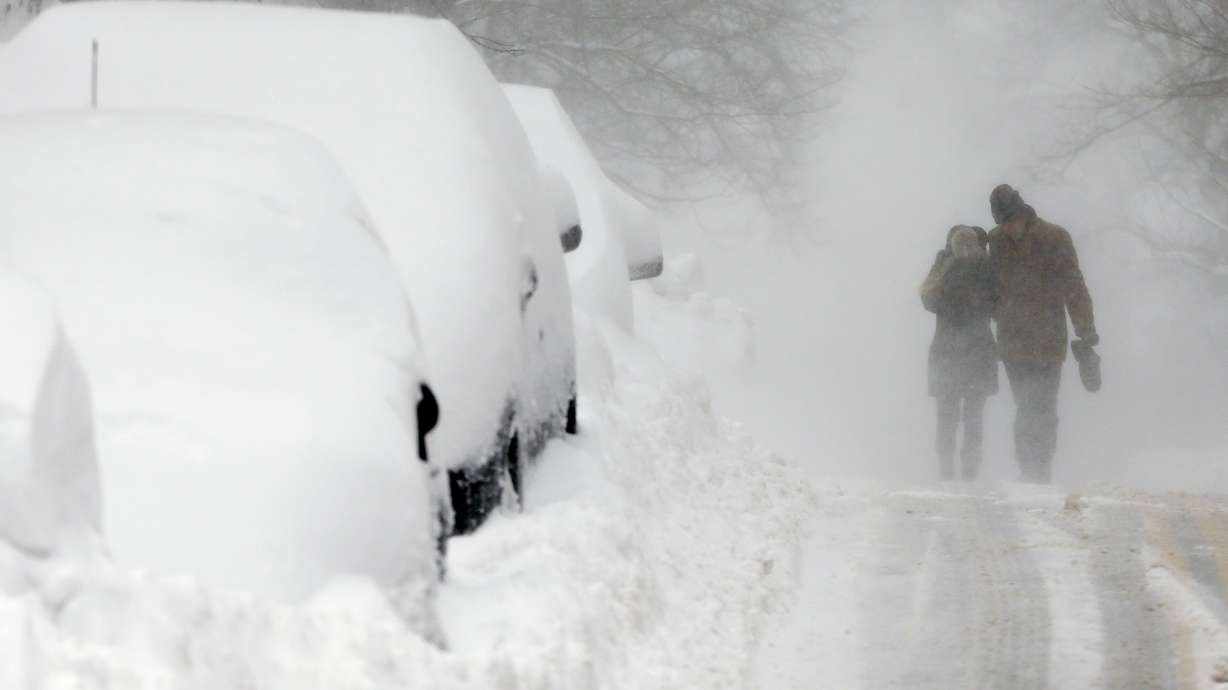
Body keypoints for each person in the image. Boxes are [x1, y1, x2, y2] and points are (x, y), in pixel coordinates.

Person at [987, 184, 1098, 483]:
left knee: (1044, 406)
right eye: (1002, 223)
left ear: (1022, 212)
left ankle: (1042, 467)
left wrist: (1086, 331)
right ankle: (1027, 467)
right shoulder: (995, 241)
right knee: (1024, 404)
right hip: (1011, 339)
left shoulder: (1055, 238)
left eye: (1011, 220)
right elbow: (990, 286)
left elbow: (1074, 287)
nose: (1008, 228)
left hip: (1048, 338)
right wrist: (993, 313)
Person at [921, 225, 999, 480]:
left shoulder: (945, 267)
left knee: (947, 413)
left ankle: (948, 465)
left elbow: (927, 298)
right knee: (973, 413)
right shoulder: (986, 268)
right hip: (978, 350)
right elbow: (997, 303)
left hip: (947, 349)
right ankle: (969, 465)